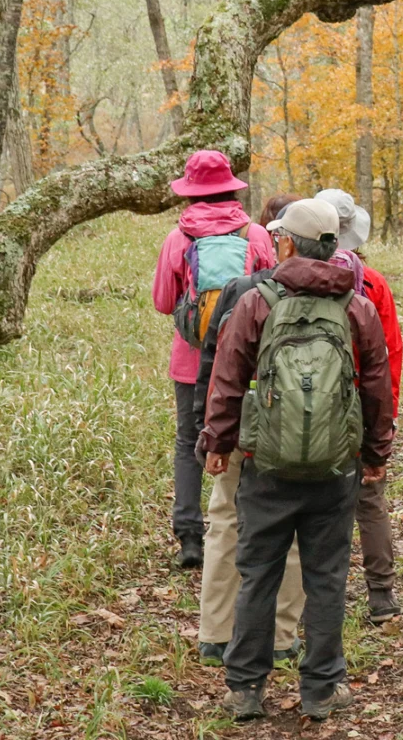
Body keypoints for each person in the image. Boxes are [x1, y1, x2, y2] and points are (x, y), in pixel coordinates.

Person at [200, 198, 394, 722]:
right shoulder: (358, 307)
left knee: (258, 572)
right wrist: (375, 453)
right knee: (327, 576)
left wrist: (217, 444)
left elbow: (228, 378)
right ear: (334, 247)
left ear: (287, 243)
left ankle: (244, 688)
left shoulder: (257, 301)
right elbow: (377, 388)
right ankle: (323, 687)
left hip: (267, 464)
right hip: (336, 468)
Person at [193, 194, 306, 667]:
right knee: (297, 533)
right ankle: (281, 638)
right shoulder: (346, 295)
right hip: (306, 435)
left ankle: (216, 633)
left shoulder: (244, 292)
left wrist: (210, 433)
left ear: (281, 243)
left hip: (245, 430)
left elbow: (216, 369)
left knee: (226, 522)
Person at [152, 150, 274, 569]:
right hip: (246, 363)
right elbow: (272, 294)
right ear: (230, 189)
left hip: (189, 363)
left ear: (191, 194)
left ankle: (189, 535)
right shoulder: (255, 235)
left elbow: (163, 301)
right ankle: (240, 529)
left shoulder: (177, 238)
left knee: (189, 440)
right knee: (243, 441)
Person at [315, 188, 403, 626]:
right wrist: (383, 428)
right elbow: (390, 357)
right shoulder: (373, 284)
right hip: (360, 408)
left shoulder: (283, 281)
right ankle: (381, 595)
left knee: (311, 505)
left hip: (304, 411)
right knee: (369, 501)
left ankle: (314, 601)